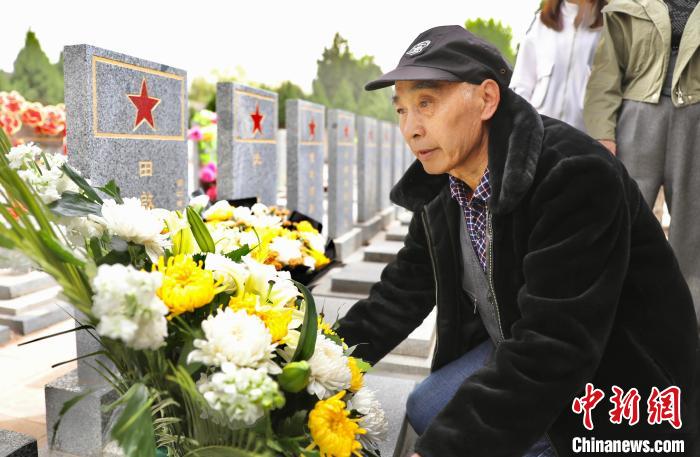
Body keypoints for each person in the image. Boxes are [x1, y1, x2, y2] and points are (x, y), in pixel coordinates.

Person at [336, 25, 699, 457]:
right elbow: (398, 296)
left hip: (620, 376)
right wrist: (316, 364)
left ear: (487, 99)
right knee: (428, 405)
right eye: (401, 110)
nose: (411, 128)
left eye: (426, 103)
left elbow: (553, 346)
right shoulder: (445, 185)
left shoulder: (574, 175)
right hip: (529, 341)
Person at [584, 0, 700, 334]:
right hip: (635, 121)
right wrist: (602, 135)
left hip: (696, 125)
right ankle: (604, 331)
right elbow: (606, 74)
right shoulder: (628, 3)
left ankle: (687, 339)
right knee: (615, 228)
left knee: (693, 240)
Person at [510, 0, 604, 132]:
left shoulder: (607, 26)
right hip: (540, 132)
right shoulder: (541, 24)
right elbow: (522, 84)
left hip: (583, 135)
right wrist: (523, 124)